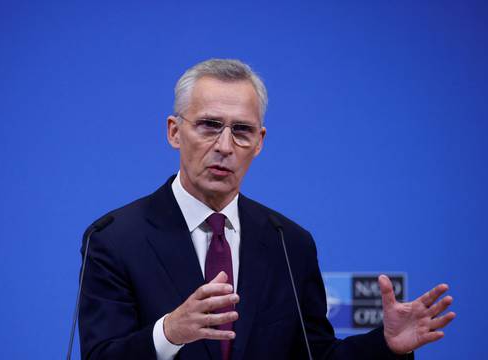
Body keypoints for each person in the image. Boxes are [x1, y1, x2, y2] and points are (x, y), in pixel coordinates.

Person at [78, 59, 455, 360]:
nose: (225, 145)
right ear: (174, 132)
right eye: (210, 126)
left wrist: (385, 345)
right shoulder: (114, 238)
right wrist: (169, 332)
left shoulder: (289, 243)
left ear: (259, 142)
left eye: (241, 131)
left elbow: (315, 355)